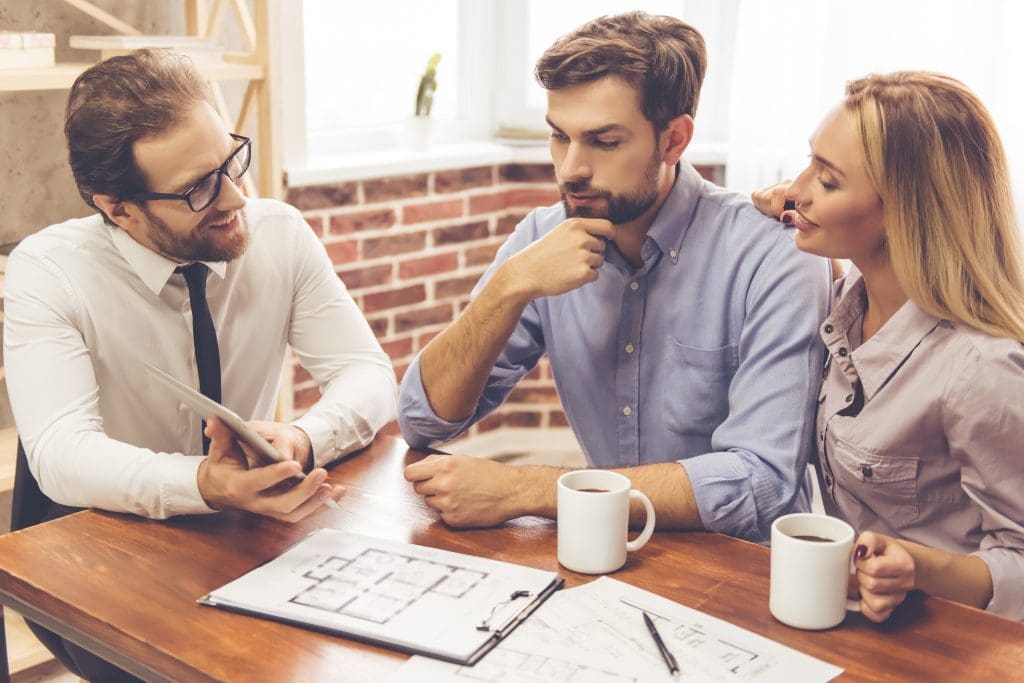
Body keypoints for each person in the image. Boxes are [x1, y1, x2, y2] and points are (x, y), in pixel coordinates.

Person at [3, 50, 397, 679]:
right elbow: (60, 454)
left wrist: (302, 438)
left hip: (244, 528)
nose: (236, 196)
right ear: (118, 207)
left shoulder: (281, 234)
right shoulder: (48, 272)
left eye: (230, 163)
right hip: (99, 539)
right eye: (198, 188)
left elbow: (367, 374)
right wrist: (203, 485)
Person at [399, 12, 831, 542]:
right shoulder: (541, 237)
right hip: (603, 552)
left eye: (603, 142)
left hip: (740, 574)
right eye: (560, 138)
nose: (569, 169)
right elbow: (423, 420)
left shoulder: (773, 255)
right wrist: (509, 286)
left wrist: (527, 490)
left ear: (674, 141)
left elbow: (761, 479)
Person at [751, 71, 1024, 623]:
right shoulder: (847, 299)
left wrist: (917, 567)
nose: (796, 188)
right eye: (808, 163)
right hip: (852, 620)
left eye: (827, 180)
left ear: (904, 210)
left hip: (947, 643)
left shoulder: (982, 369)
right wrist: (784, 207)